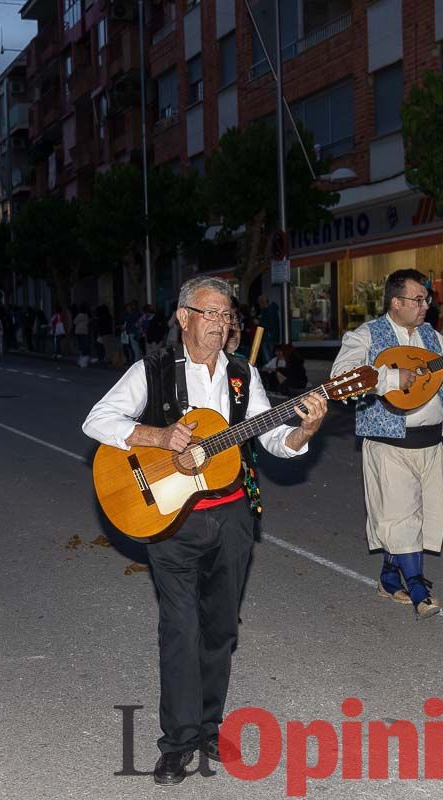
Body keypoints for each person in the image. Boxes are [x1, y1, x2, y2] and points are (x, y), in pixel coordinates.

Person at [82, 276, 328, 786]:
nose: (220, 323)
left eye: (226, 314)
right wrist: (158, 435)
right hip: (172, 517)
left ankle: (209, 726)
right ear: (183, 317)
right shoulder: (152, 369)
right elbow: (97, 420)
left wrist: (301, 430)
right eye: (210, 313)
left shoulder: (243, 375)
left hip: (234, 515)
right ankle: (177, 742)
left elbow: (271, 437)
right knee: (180, 628)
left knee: (220, 628)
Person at [333, 269, 443, 619]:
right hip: (388, 442)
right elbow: (342, 378)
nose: (426, 306)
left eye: (427, 299)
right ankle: (416, 586)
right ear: (396, 302)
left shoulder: (435, 339)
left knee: (416, 516)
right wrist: (389, 377)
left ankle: (388, 576)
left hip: (430, 443)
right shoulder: (367, 336)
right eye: (418, 299)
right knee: (400, 516)